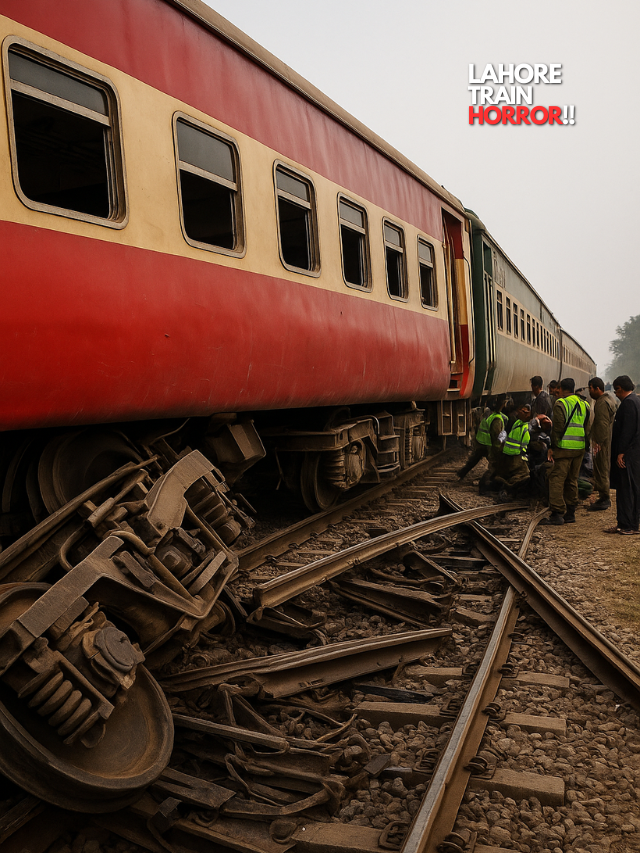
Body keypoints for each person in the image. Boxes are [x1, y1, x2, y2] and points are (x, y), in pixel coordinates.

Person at [542, 377, 591, 525]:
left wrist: (552, 447)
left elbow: (557, 428)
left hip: (564, 448)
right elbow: (587, 427)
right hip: (579, 448)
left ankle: (557, 513)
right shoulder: (585, 404)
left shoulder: (561, 404)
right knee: (572, 480)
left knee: (556, 478)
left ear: (562, 389)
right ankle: (570, 513)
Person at [606, 375, 640, 535]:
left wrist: (621, 453)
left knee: (626, 489)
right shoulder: (636, 401)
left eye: (616, 390)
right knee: (629, 489)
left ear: (620, 388)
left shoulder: (628, 403)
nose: (616, 393)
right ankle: (626, 523)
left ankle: (628, 525)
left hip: (628, 454)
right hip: (633, 454)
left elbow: (627, 431)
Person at [457, 396, 507, 480]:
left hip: (481, 441)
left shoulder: (490, 415)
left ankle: (461, 474)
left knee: (474, 459)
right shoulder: (498, 418)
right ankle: (486, 483)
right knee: (494, 464)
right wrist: (498, 449)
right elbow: (496, 436)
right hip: (488, 444)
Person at [587, 376, 616, 511]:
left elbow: (602, 425)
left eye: (590, 388)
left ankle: (604, 497)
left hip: (602, 442)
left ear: (597, 388)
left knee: (601, 467)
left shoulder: (601, 403)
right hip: (605, 440)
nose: (589, 392)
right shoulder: (609, 399)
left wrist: (598, 442)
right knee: (603, 467)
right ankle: (603, 495)